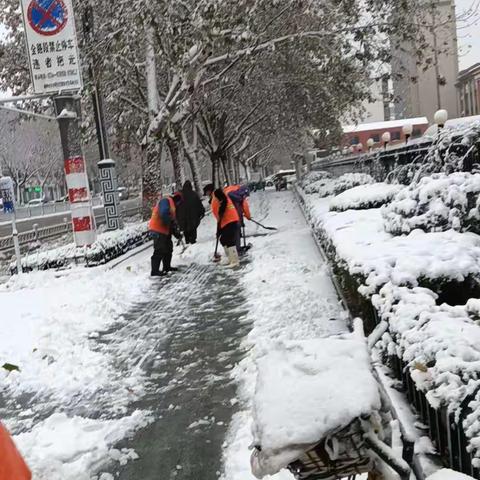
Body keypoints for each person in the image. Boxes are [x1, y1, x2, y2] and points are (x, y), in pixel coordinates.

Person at [148, 192, 183, 276]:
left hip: (164, 230)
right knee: (159, 250)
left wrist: (177, 234)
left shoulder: (172, 206)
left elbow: (171, 222)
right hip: (157, 229)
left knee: (168, 248)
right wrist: (170, 223)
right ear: (177, 200)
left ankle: (167, 267)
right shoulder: (166, 201)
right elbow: (164, 214)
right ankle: (154, 271)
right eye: (179, 203)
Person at [209, 187, 240, 268]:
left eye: (206, 192)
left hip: (230, 219)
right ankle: (230, 258)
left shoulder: (217, 192)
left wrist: (221, 210)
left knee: (229, 240)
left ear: (209, 191)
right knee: (223, 239)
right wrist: (219, 229)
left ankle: (234, 261)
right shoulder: (214, 198)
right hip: (225, 221)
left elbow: (224, 200)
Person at [224, 184, 251, 254]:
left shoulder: (230, 190)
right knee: (236, 231)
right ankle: (237, 249)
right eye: (246, 195)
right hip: (234, 218)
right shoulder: (240, 197)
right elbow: (244, 208)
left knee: (232, 233)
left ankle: (233, 249)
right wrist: (248, 217)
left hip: (226, 217)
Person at [176, 180, 205, 244]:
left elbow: (176, 206)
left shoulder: (181, 195)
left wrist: (177, 217)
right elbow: (199, 204)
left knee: (186, 230)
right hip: (193, 217)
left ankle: (187, 241)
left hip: (183, 218)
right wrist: (202, 212)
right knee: (193, 229)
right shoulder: (194, 194)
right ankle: (193, 241)